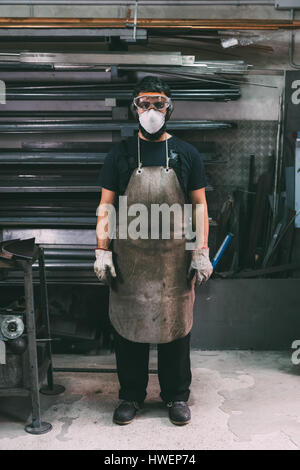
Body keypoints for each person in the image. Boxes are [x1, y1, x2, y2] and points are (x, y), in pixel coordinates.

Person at [94, 76, 213, 426]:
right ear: (135, 108)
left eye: (158, 103)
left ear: (169, 108)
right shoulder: (120, 155)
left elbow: (200, 207)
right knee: (129, 331)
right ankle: (131, 395)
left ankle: (176, 396)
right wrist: (102, 250)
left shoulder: (186, 154)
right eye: (144, 103)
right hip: (130, 260)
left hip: (174, 260)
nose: (151, 111)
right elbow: (106, 206)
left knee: (175, 330)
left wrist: (200, 249)